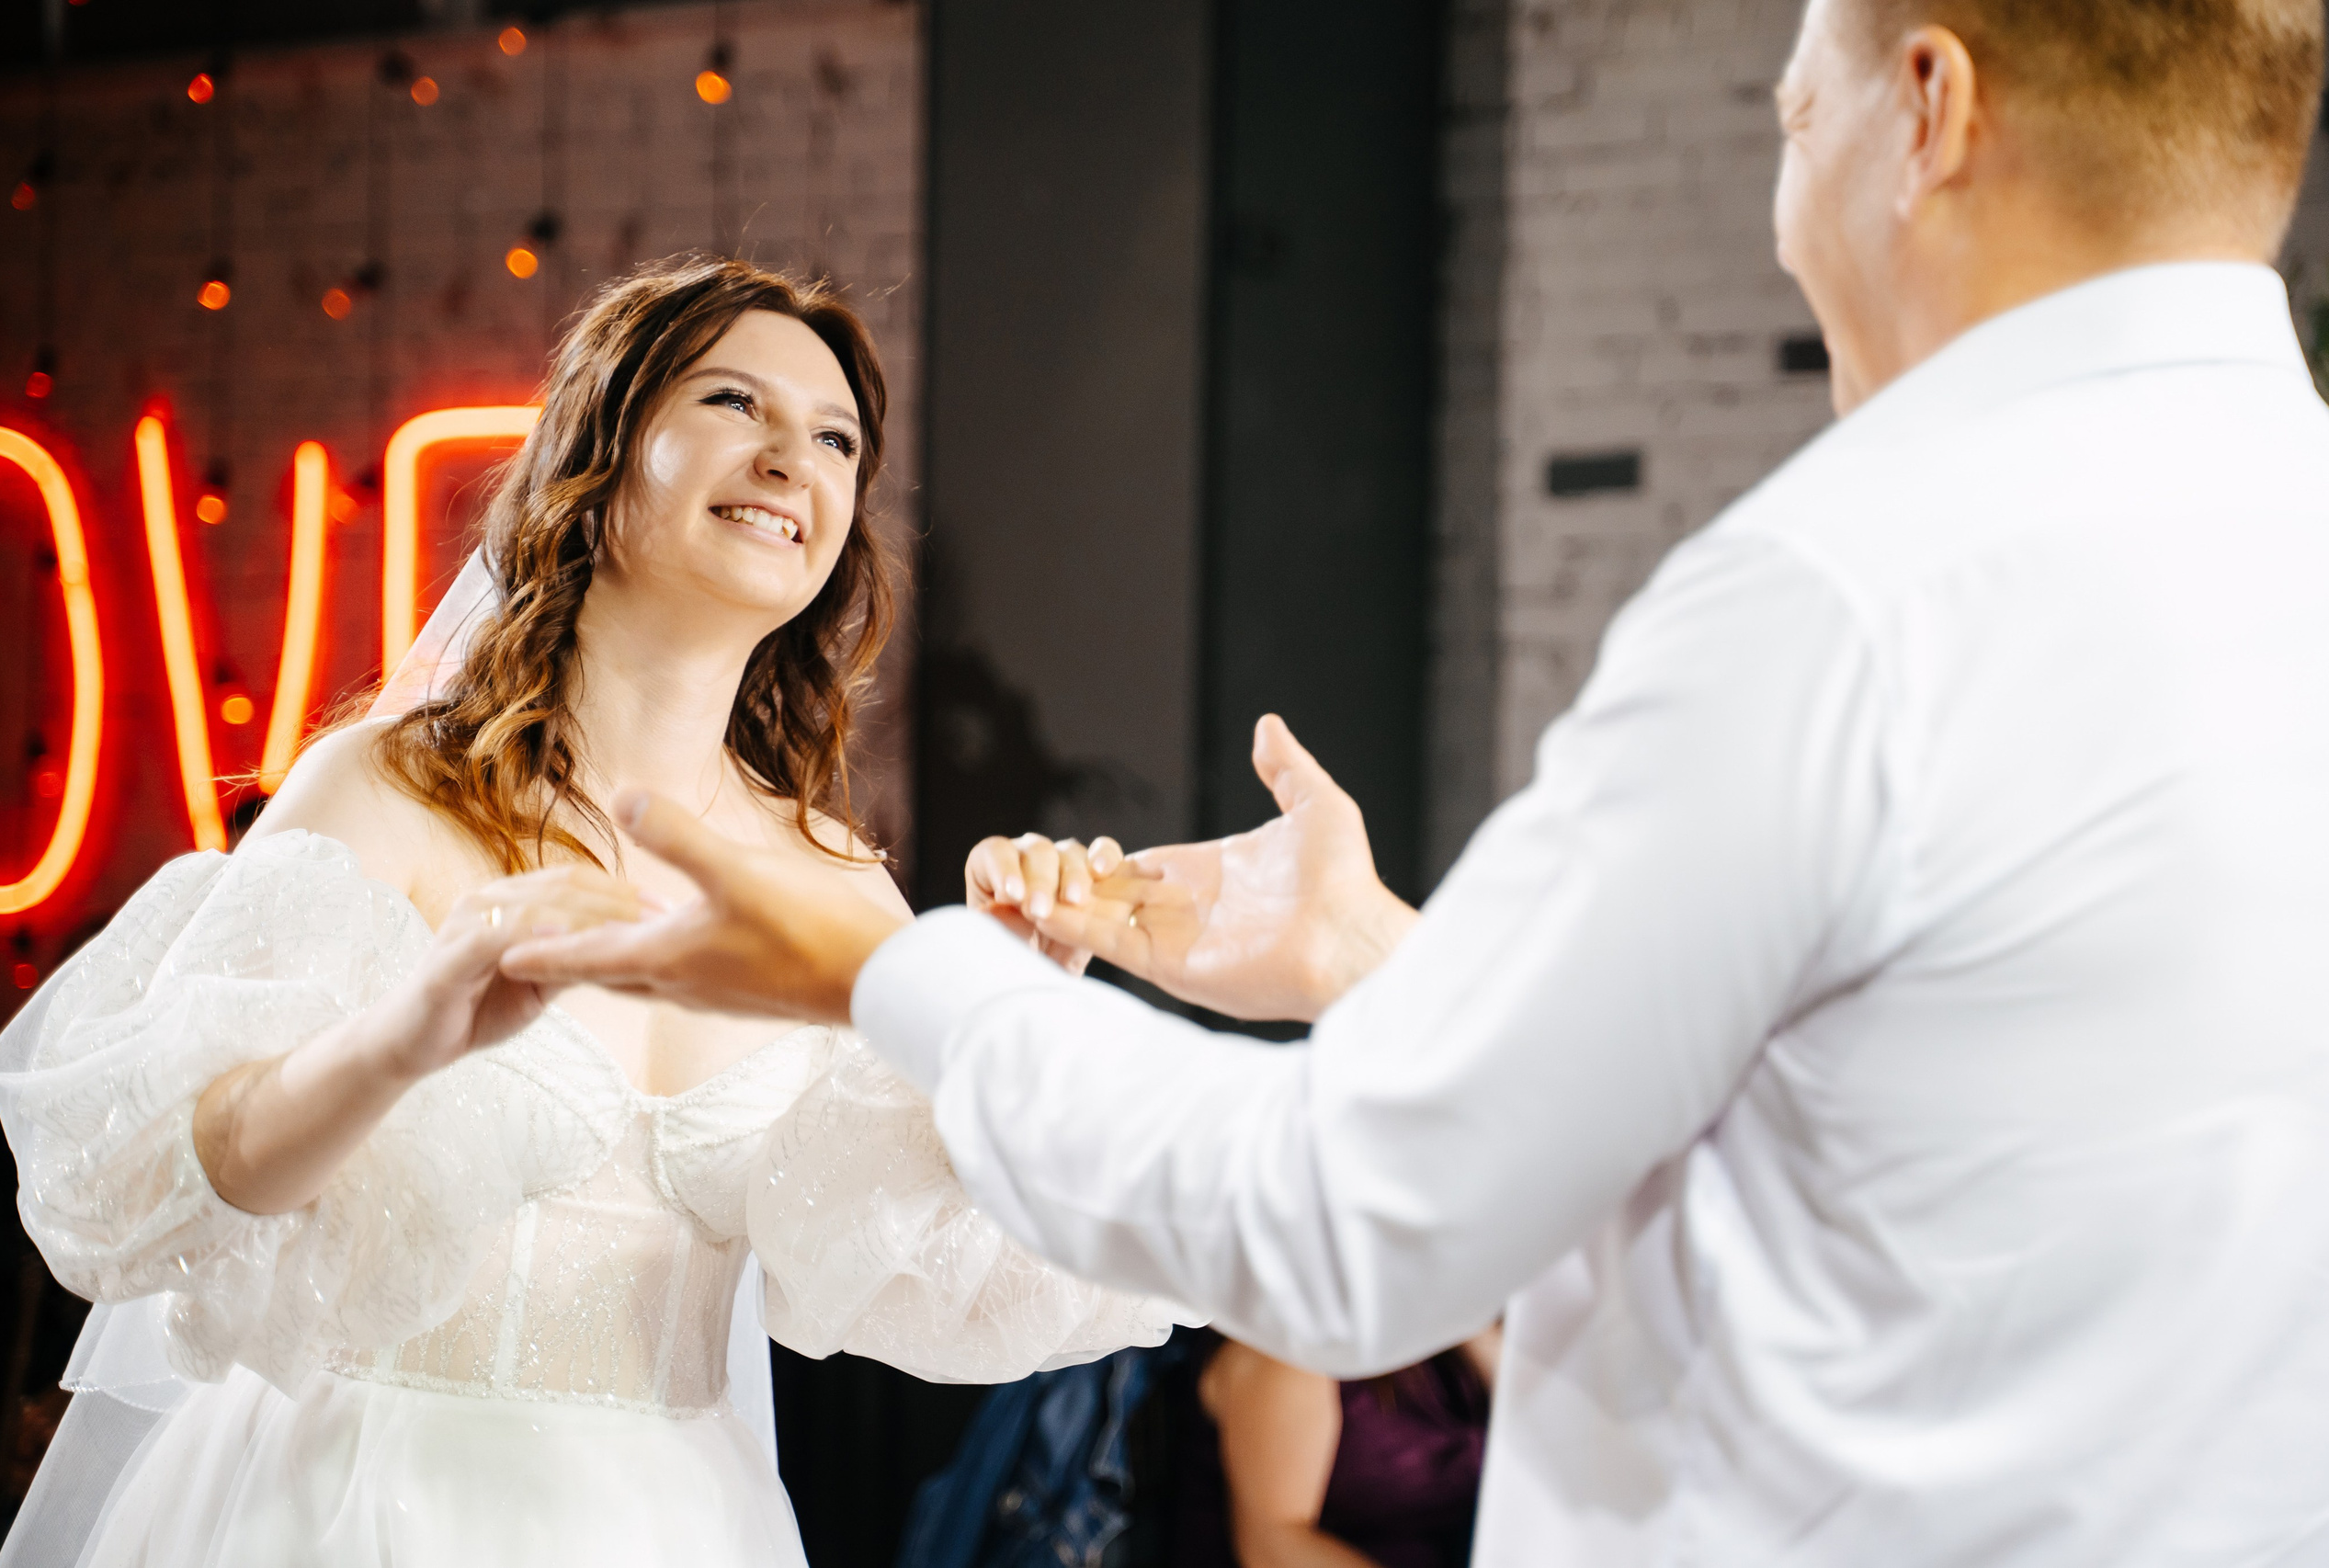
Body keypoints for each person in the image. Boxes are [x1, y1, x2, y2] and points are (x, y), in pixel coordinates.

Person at [501, 0, 2329, 1560]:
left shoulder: (1843, 595)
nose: (1782, 225)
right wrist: (1392, 966)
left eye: (1791, 123)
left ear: (1925, 109)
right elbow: (1888, 1120)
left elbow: (1347, 1225)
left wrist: (887, 971)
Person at [0, 254, 1181, 1568]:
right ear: (599, 454)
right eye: (734, 402)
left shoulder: (837, 881)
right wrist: (405, 1036)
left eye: (835, 438)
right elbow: (160, 1191)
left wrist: (1010, 1014)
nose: (792, 459)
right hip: (349, 1504)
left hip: (680, 1522)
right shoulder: (386, 789)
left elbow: (924, 1277)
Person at [1177, 1329, 1496, 1568]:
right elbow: (1271, 1548)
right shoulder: (1288, 1352)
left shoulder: (1446, 1336)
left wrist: (1470, 1321)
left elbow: (1521, 1424)